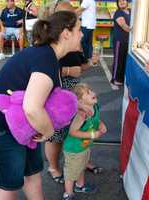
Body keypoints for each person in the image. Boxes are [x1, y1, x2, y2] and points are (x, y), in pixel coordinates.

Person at [0, 11, 82, 200]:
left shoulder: (48, 56)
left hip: (23, 126)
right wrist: (48, 132)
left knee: (32, 173)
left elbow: (46, 101)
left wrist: (79, 106)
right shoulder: (45, 59)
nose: (82, 34)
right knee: (9, 185)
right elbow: (32, 108)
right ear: (66, 33)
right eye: (79, 29)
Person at [45, 1, 102, 184]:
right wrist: (68, 71)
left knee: (80, 125)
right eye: (74, 22)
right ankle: (53, 166)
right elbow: (43, 70)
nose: (81, 31)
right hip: (56, 92)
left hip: (74, 91)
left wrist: (90, 62)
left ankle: (79, 160)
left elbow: (80, 66)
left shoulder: (75, 40)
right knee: (57, 133)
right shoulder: (47, 42)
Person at [62, 84, 107, 200]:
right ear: (80, 101)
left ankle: (80, 186)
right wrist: (92, 134)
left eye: (91, 90)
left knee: (82, 166)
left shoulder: (95, 107)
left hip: (84, 147)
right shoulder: (81, 115)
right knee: (71, 172)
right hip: (74, 149)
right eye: (88, 92)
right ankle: (68, 194)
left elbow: (96, 119)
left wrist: (101, 125)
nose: (92, 93)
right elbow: (72, 132)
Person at [111, 0, 131, 86]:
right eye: (119, 1)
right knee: (118, 60)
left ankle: (121, 78)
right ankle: (115, 79)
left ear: (127, 1)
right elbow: (124, 27)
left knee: (124, 60)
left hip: (128, 41)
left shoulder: (130, 11)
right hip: (119, 40)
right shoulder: (118, 13)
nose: (122, 2)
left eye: (123, 0)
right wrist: (135, 30)